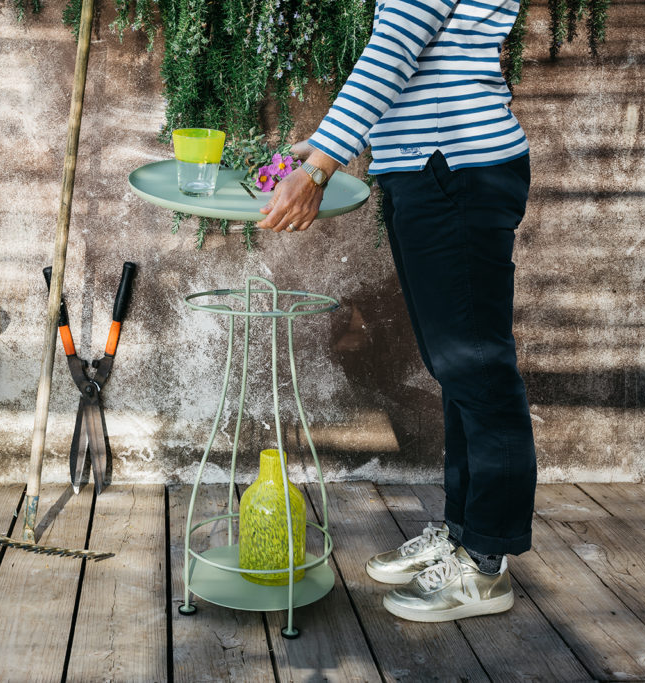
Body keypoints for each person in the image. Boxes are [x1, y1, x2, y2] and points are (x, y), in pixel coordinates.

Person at [257, 0, 535, 622]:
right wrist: (318, 145)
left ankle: (486, 567)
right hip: (438, 171)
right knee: (456, 369)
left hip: (456, 170)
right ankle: (464, 534)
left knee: (479, 371)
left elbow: (394, 51)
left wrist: (323, 163)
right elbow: (431, 58)